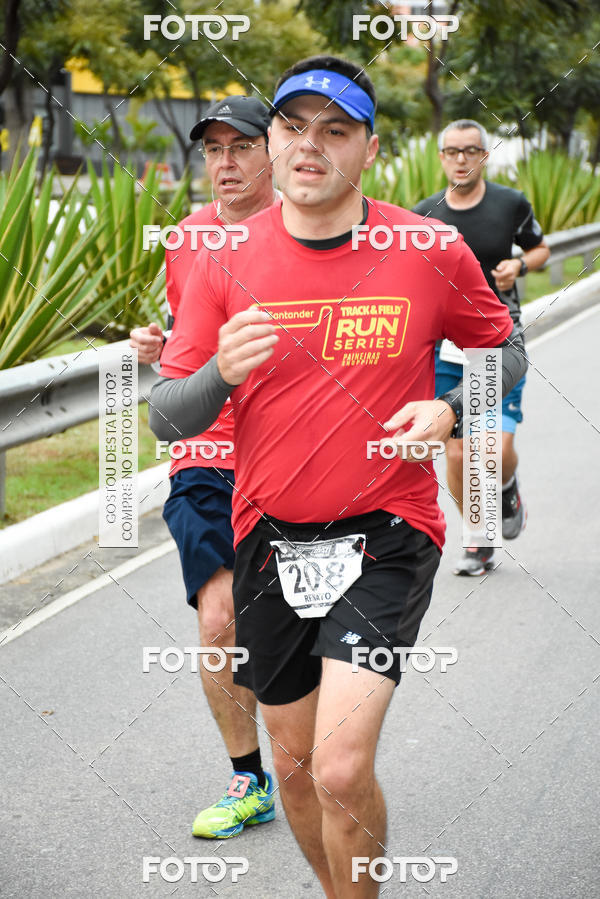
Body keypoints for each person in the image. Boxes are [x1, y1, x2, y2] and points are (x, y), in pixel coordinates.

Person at [149, 56, 527, 897]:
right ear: (273, 143)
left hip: (387, 532)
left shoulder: (426, 248)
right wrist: (219, 373)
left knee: (341, 766)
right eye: (293, 126)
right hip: (268, 539)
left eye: (336, 129)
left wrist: (453, 410)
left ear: (370, 148)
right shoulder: (221, 256)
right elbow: (167, 416)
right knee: (293, 770)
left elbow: (505, 349)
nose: (310, 145)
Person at [130, 96, 279, 838]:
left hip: (288, 450)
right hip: (206, 453)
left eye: (241, 146)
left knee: (288, 621)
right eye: (214, 149)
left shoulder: (308, 231)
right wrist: (162, 347)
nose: (225, 162)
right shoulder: (185, 238)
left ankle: (319, 754)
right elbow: (191, 331)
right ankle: (249, 778)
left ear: (274, 150)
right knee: (219, 620)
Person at [412, 119, 549, 576]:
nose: (461, 159)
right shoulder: (424, 215)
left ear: (484, 156)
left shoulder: (511, 203)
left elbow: (540, 250)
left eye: (471, 150)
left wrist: (519, 266)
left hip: (497, 342)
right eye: (452, 151)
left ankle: (506, 488)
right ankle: (478, 539)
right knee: (456, 452)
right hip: (446, 350)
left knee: (494, 448)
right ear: (441, 158)